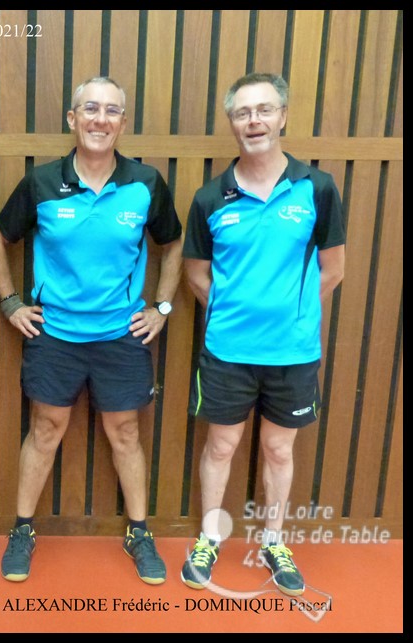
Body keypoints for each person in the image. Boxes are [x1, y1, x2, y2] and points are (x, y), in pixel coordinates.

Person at [0, 76, 183, 584]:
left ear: (123, 122)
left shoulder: (145, 183)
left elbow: (174, 243)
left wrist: (162, 306)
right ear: (72, 119)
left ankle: (139, 532)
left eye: (112, 110)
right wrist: (10, 302)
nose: (101, 119)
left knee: (126, 432)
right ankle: (22, 530)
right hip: (55, 335)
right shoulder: (42, 183)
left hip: (121, 334)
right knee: (45, 430)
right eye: (90, 109)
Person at [180, 72, 346, 597]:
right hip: (227, 351)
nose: (254, 121)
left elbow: (333, 269)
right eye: (243, 112)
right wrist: (237, 315)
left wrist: (290, 317)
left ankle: (274, 542)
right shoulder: (210, 198)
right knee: (222, 444)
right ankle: (209, 538)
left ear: (282, 116)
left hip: (293, 354)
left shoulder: (317, 188)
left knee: (277, 450)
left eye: (264, 110)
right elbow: (196, 275)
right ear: (232, 123)